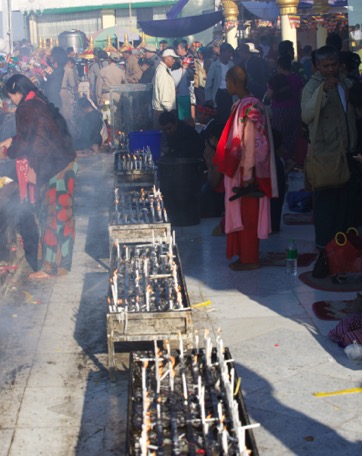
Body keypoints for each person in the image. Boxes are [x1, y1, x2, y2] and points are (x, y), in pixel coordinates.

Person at [0, 74, 78, 279]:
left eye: (11, 97)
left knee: (51, 216)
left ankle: (50, 268)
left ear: (18, 92)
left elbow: (30, 143)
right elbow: (33, 134)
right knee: (65, 215)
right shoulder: (39, 101)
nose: (12, 101)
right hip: (66, 161)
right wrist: (12, 140)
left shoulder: (26, 108)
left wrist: (9, 151)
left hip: (53, 166)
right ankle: (63, 265)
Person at [301, 45, 359, 277]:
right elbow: (305, 115)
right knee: (326, 211)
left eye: (334, 65)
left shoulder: (346, 83)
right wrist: (322, 93)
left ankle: (346, 259)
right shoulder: (312, 87)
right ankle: (326, 260)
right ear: (318, 67)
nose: (331, 69)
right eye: (326, 66)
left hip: (348, 154)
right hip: (325, 157)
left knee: (347, 212)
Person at [213, 66, 277, 271]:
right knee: (241, 213)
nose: (227, 84)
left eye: (228, 81)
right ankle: (243, 255)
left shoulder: (250, 107)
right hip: (241, 170)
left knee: (248, 215)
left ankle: (250, 258)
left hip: (246, 172)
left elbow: (251, 143)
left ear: (235, 82)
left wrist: (248, 174)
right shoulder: (245, 104)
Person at [264, 55, 304, 164]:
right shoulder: (297, 78)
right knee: (292, 136)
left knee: (279, 136)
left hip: (280, 111)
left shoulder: (275, 79)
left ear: (279, 66)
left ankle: (283, 160)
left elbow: (268, 96)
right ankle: (292, 159)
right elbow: (301, 96)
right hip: (295, 110)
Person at [204, 42, 234, 124]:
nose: (230, 54)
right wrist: (208, 98)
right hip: (220, 94)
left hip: (230, 94)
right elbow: (209, 82)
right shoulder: (214, 66)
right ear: (223, 52)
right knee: (221, 118)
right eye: (229, 52)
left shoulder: (231, 65)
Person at [201, 121, 225, 218]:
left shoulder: (221, 154)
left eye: (210, 138)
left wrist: (210, 165)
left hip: (220, 196)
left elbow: (213, 183)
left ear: (215, 139)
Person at [152, 48, 179, 129]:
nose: (174, 60)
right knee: (164, 138)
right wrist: (169, 110)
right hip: (164, 111)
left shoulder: (163, 69)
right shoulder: (162, 72)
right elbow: (164, 93)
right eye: (172, 58)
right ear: (166, 58)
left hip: (163, 110)